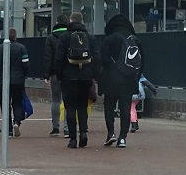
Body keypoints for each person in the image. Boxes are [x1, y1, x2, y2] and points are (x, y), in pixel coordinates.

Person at [55, 12, 100, 148]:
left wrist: (59, 75)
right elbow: (97, 57)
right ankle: (83, 134)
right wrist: (94, 75)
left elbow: (59, 58)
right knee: (82, 106)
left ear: (70, 21)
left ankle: (73, 139)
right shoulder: (90, 37)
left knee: (70, 108)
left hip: (69, 77)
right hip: (85, 76)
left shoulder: (65, 37)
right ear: (82, 21)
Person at [100, 13, 144, 148]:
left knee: (109, 106)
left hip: (111, 80)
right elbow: (141, 62)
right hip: (129, 80)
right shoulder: (135, 39)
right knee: (125, 108)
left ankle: (111, 133)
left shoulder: (110, 39)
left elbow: (104, 59)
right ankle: (123, 138)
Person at [0, 27, 30, 137]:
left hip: (4, 81)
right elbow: (26, 64)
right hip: (18, 81)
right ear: (16, 36)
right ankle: (16, 122)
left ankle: (8, 129)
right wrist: (23, 75)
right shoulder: (22, 48)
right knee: (17, 102)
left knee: (5, 104)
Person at [43, 14, 69, 137]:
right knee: (68, 100)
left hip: (55, 73)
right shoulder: (71, 36)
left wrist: (46, 74)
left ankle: (55, 128)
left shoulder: (51, 38)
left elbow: (48, 58)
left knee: (55, 100)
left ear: (57, 22)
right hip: (69, 72)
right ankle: (68, 128)